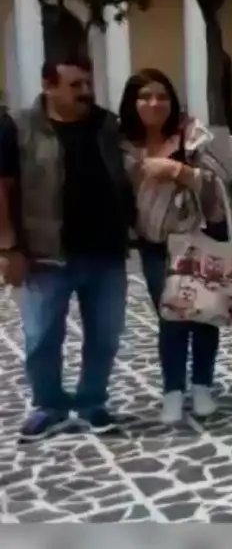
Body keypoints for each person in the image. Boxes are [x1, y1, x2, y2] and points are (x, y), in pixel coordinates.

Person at [0, 55, 135, 441]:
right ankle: (49, 405)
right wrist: (8, 247)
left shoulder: (106, 124)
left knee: (106, 335)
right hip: (44, 255)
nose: (86, 92)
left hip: (106, 253)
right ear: (49, 85)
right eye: (75, 85)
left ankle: (93, 403)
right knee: (41, 337)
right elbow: (3, 187)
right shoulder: (19, 127)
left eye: (88, 84)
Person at [119, 68, 229, 425]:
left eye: (163, 95)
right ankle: (172, 390)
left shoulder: (191, 134)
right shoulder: (121, 143)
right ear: (132, 102)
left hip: (197, 237)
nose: (155, 103)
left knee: (203, 315)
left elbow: (218, 182)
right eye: (146, 96)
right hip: (154, 242)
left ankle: (201, 386)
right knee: (171, 315)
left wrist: (176, 170)